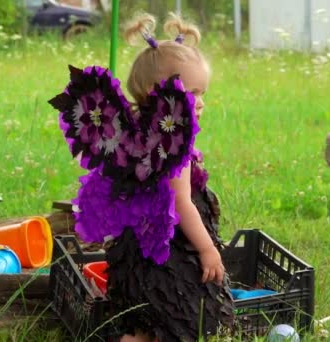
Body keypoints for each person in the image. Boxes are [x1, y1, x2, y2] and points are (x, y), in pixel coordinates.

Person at [49, 12, 235, 342]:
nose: (201, 102)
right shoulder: (170, 145)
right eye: (192, 93)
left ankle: (135, 337)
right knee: (190, 314)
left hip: (135, 253)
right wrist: (207, 249)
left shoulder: (134, 129)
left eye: (203, 92)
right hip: (169, 254)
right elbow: (181, 204)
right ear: (155, 93)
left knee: (149, 320)